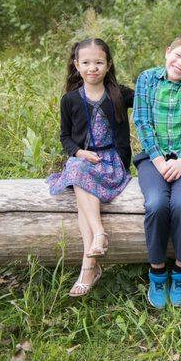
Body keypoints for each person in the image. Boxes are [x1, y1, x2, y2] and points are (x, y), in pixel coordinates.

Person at [47, 38, 133, 297]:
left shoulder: (120, 94)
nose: (92, 67)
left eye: (99, 62)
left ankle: (90, 266)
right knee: (76, 166)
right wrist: (80, 151)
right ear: (76, 65)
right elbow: (65, 137)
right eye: (86, 62)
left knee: (77, 175)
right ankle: (97, 239)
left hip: (112, 162)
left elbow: (155, 97)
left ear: (108, 65)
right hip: (84, 161)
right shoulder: (70, 99)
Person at [133, 33, 181, 308]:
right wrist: (158, 160)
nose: (180, 64)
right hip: (153, 157)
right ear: (168, 50)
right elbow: (142, 120)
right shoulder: (147, 79)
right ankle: (156, 271)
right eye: (177, 55)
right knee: (155, 203)